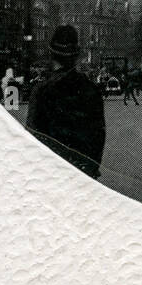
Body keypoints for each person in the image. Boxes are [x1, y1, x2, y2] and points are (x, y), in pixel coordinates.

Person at [26, 25, 106, 179]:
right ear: (76, 56)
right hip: (83, 174)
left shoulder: (41, 91)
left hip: (51, 175)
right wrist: (91, 169)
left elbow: (33, 138)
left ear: (51, 54)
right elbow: (98, 135)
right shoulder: (92, 90)